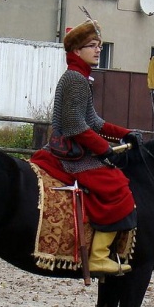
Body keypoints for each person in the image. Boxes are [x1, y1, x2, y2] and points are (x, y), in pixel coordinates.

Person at [42, 19, 141, 276]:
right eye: (92, 46)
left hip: (77, 148)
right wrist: (104, 149)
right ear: (76, 51)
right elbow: (74, 125)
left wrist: (124, 133)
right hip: (71, 155)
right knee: (117, 188)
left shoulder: (81, 77)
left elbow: (93, 121)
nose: (98, 50)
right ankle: (97, 257)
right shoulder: (75, 78)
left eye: (99, 45)